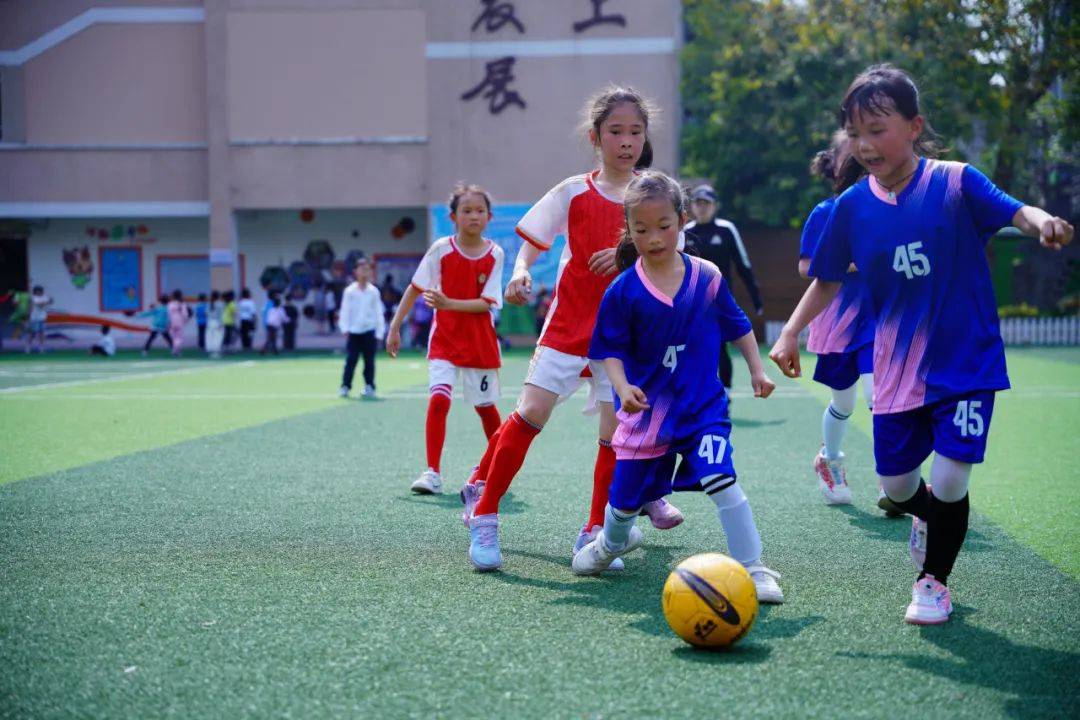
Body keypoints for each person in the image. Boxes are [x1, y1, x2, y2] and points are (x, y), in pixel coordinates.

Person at [769, 64, 1074, 625]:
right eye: (855, 132)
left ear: (915, 126)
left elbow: (1015, 210)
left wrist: (1042, 221)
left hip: (966, 361)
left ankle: (932, 581)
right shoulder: (850, 207)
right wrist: (790, 332)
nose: (864, 144)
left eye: (878, 128)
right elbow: (828, 277)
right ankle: (927, 516)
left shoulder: (955, 181)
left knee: (953, 476)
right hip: (895, 370)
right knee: (897, 484)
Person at [462, 86, 684, 572]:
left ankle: (594, 532)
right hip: (568, 325)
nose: (626, 141)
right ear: (595, 136)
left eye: (635, 132)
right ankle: (484, 513)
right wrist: (520, 271)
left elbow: (673, 257)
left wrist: (629, 255)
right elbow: (531, 244)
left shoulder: (655, 195)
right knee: (530, 415)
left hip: (624, 338)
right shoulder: (573, 191)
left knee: (614, 436)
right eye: (615, 132)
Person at [573, 171, 784, 601]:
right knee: (625, 503)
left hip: (701, 409)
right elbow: (606, 349)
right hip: (645, 414)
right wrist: (621, 385)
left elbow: (739, 325)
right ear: (628, 230)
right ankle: (611, 542)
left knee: (723, 481)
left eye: (664, 227)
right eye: (641, 229)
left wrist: (757, 371)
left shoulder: (706, 277)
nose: (653, 238)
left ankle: (754, 568)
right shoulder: (623, 290)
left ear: (683, 220)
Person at [797, 132, 898, 512]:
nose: (860, 148)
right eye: (849, 146)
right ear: (834, 163)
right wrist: (853, 263)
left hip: (878, 319)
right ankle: (829, 460)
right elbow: (806, 266)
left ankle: (892, 479)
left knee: (879, 398)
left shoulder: (886, 207)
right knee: (843, 401)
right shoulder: (825, 213)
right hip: (837, 321)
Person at [386, 183, 505, 494]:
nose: (473, 216)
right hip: (445, 341)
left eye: (480, 211)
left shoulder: (496, 254)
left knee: (486, 409)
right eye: (466, 211)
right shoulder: (441, 249)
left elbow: (486, 303)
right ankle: (432, 473)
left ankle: (497, 468)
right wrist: (395, 326)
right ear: (454, 217)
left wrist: (448, 303)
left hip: (480, 343)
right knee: (438, 400)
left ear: (489, 217)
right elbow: (415, 287)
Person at [683, 184, 764, 390]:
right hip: (690, 301)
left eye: (706, 203)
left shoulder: (726, 230)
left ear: (715, 206)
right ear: (691, 206)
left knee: (720, 346)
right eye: (698, 203)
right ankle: (694, 392)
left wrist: (757, 300)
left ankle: (725, 394)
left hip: (720, 300)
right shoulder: (685, 233)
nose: (702, 207)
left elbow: (743, 265)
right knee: (690, 346)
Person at [338, 258, 385, 399]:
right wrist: (344, 328)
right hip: (353, 331)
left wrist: (380, 333)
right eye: (362, 269)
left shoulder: (373, 291)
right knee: (351, 360)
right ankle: (345, 386)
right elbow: (345, 311)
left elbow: (378, 312)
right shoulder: (349, 291)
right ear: (355, 272)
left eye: (367, 269)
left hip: (369, 331)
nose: (365, 272)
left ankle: (370, 386)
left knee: (369, 360)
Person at [25, 285, 52, 354]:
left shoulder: (44, 297)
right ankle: (28, 347)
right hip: (34, 318)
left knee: (42, 333)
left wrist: (48, 300)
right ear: (36, 291)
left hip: (42, 318)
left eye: (41, 291)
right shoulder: (33, 298)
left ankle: (41, 348)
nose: (40, 292)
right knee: (32, 333)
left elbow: (51, 301)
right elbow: (41, 305)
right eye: (38, 291)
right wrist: (46, 301)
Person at [167, 289, 190, 356]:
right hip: (180, 321)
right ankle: (176, 350)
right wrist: (185, 320)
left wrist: (169, 322)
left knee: (174, 337)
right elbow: (185, 314)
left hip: (172, 321)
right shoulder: (182, 304)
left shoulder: (170, 304)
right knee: (179, 337)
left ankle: (176, 350)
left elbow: (168, 314)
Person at [206, 290, 225, 358]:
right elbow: (221, 315)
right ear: (218, 297)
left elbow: (206, 313)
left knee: (210, 337)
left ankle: (211, 351)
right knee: (217, 337)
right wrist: (221, 323)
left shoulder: (209, 304)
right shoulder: (220, 304)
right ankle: (215, 352)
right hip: (217, 322)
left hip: (210, 322)